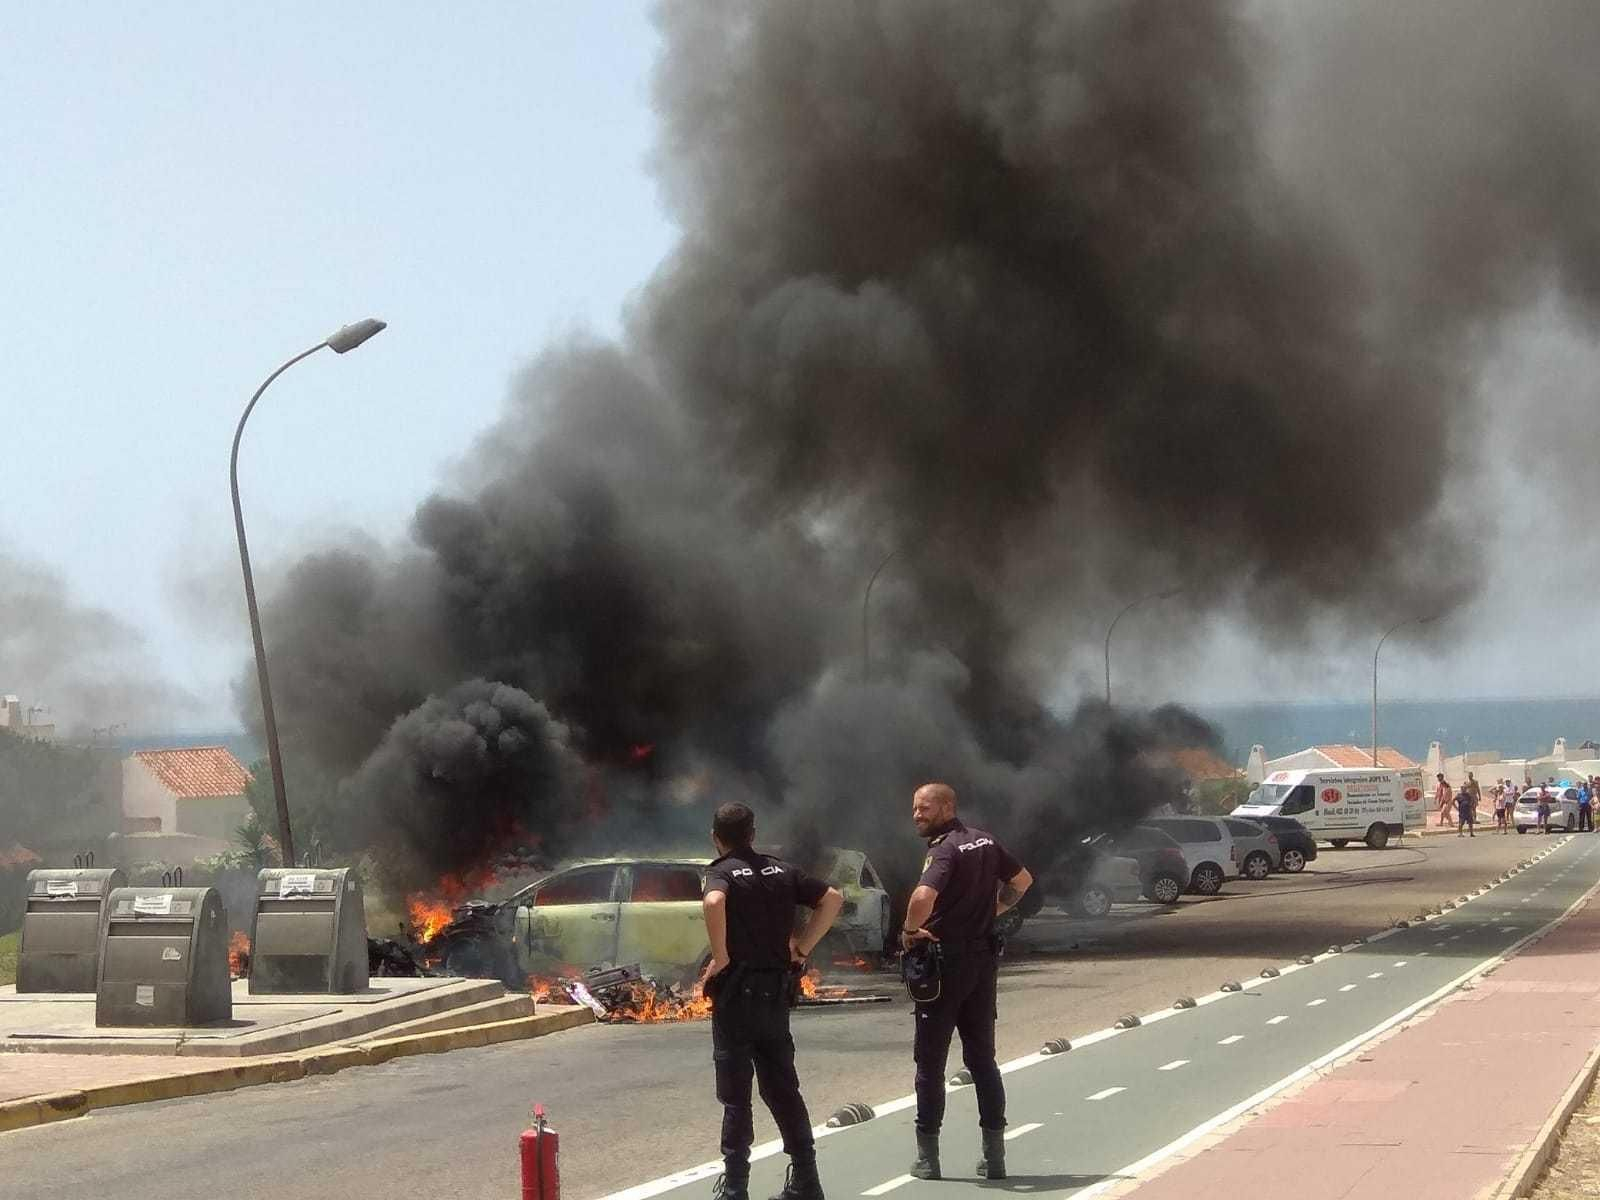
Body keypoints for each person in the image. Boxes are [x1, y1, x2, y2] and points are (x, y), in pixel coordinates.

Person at [702, 802, 844, 1200]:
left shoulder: (722, 871)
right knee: (783, 1089)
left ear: (716, 838)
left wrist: (721, 956)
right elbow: (832, 898)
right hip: (775, 996)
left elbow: (714, 903)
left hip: (736, 997)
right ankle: (806, 1179)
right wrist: (803, 948)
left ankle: (735, 1188)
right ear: (752, 833)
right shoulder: (782, 870)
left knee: (735, 1097)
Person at [900, 782, 1033, 1182]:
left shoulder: (944, 850)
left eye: (924, 808)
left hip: (944, 968)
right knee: (982, 1060)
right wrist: (992, 911)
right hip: (982, 963)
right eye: (914, 808)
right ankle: (995, 1157)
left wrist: (909, 931)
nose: (917, 815)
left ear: (946, 808)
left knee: (930, 1063)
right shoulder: (985, 842)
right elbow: (1023, 880)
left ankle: (928, 1157)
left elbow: (923, 897)